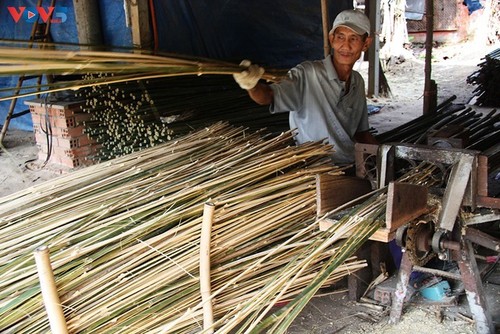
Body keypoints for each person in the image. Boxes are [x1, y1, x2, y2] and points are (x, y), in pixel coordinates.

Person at [233, 9, 378, 165]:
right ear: (331, 39)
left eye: (354, 38)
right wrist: (252, 86)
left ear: (366, 44)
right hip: (316, 170)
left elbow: (362, 133)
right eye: (340, 37)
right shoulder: (307, 74)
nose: (345, 46)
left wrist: (386, 157)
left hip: (350, 165)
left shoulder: (358, 81)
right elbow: (268, 96)